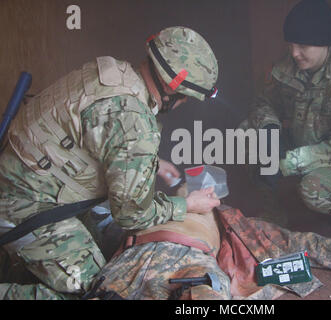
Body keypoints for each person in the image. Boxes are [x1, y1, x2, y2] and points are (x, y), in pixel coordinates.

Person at [0, 27, 221, 300]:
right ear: (170, 87)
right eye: (186, 96)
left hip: (19, 175)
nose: (184, 102)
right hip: (25, 206)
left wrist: (152, 162)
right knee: (103, 290)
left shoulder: (111, 72)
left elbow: (97, 133)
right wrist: (187, 204)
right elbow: (131, 214)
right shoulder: (135, 122)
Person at [87, 183, 331, 300]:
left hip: (189, 267)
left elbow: (297, 242)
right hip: (131, 261)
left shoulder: (234, 222)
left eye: (211, 190)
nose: (204, 191)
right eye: (192, 186)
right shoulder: (156, 205)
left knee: (203, 297)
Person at [240, 0, 331, 238]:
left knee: (312, 189)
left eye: (303, 45)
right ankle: (274, 212)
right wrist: (268, 131)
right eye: (291, 44)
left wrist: (287, 163)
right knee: (247, 137)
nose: (294, 52)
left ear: (325, 42)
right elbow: (262, 102)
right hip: (304, 143)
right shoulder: (289, 66)